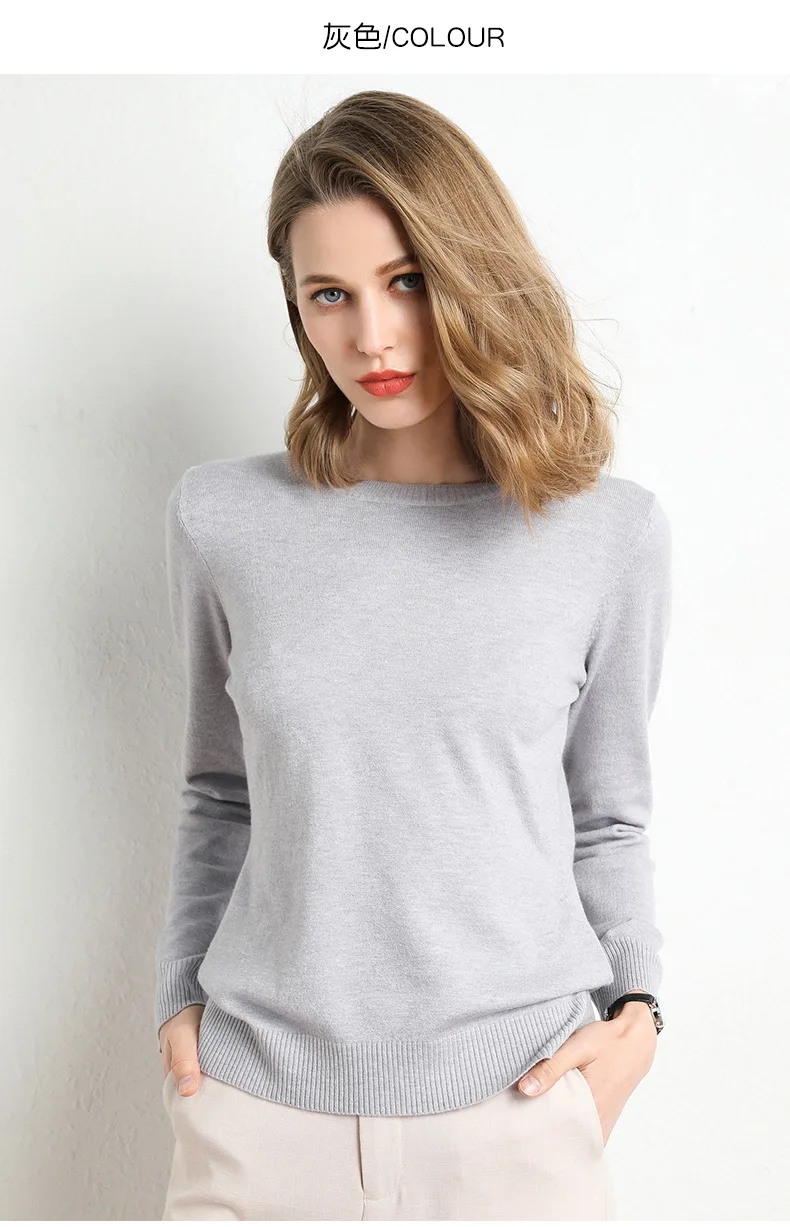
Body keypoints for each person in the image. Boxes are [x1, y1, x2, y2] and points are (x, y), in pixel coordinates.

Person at [155, 89, 671, 1221]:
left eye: (409, 281)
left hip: (521, 1107)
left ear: (475, 276)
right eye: (329, 295)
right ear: (297, 309)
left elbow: (608, 815)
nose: (373, 338)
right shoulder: (224, 519)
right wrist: (178, 1000)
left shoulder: (605, 534)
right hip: (255, 1109)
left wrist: (637, 1013)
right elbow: (217, 792)